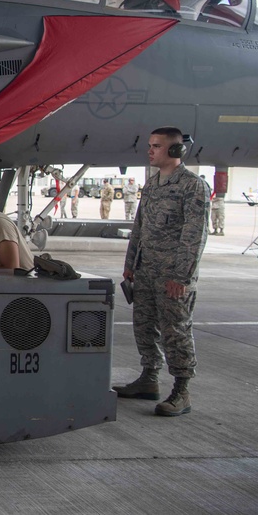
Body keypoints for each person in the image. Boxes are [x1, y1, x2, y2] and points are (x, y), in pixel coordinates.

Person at [114, 127, 209, 417]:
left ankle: (182, 391)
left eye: (156, 146)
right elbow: (139, 228)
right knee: (144, 326)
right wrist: (131, 265)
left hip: (172, 277)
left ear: (175, 151)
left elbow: (195, 236)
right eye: (150, 145)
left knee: (175, 332)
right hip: (146, 271)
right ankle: (149, 379)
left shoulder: (192, 186)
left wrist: (181, 277)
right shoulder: (153, 184)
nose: (150, 151)